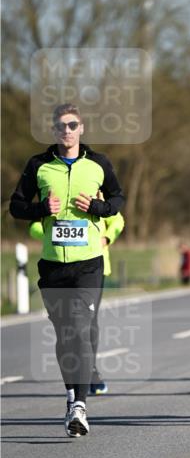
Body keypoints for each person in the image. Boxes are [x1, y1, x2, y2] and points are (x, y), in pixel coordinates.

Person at [9, 103, 125, 436]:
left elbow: (118, 199)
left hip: (88, 263)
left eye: (73, 125)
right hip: (52, 266)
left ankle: (80, 407)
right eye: (61, 126)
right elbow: (16, 206)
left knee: (80, 327)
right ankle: (72, 395)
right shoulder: (39, 165)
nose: (67, 131)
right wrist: (41, 208)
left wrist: (99, 207)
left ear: (81, 128)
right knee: (64, 335)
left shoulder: (99, 163)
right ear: (53, 130)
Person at [28, 194, 125, 394]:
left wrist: (107, 238)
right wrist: (52, 234)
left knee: (89, 320)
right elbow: (34, 226)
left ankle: (91, 371)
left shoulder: (94, 194)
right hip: (59, 267)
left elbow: (117, 220)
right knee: (66, 324)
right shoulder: (56, 194)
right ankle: (74, 370)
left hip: (93, 268)